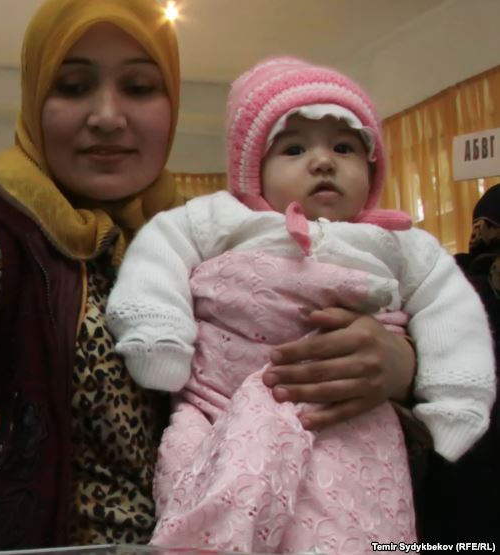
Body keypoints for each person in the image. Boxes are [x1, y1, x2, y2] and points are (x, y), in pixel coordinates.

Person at [0, 4, 421, 551]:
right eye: (72, 86)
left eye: (139, 87)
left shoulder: (216, 246)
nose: (106, 116)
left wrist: (401, 369)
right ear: (34, 100)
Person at [106, 57, 496, 553]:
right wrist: (158, 335)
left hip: (347, 420)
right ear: (254, 170)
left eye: (344, 147)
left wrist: (456, 400)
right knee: (202, 470)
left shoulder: (396, 242)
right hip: (219, 406)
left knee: (347, 522)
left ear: (372, 167)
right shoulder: (224, 217)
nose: (323, 161)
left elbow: (452, 309)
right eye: (294, 148)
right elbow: (160, 250)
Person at [417, 184, 500, 542]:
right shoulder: (448, 281)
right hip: (463, 448)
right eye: (478, 221)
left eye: (488, 222)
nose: (478, 230)